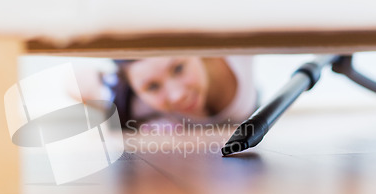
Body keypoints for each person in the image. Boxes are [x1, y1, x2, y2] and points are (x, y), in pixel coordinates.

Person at [70, 56, 258, 128]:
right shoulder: (137, 104)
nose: (177, 95)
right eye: (152, 87)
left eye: (178, 68)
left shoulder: (236, 53)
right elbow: (72, 81)